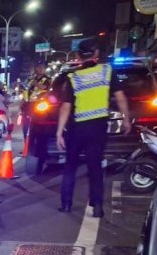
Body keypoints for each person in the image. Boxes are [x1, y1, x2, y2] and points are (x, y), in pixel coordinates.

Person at [55, 38, 130, 217]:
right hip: (98, 127)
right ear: (96, 54)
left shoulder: (73, 77)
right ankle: (97, 207)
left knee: (70, 166)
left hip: (77, 128)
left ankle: (66, 204)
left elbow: (65, 107)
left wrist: (59, 133)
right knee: (95, 167)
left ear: (78, 56)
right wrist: (126, 120)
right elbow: (120, 97)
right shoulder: (106, 71)